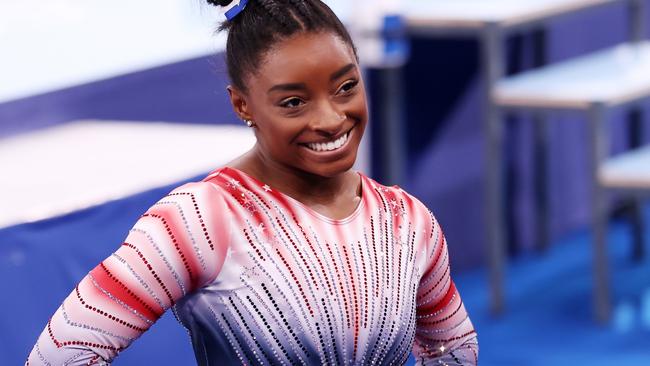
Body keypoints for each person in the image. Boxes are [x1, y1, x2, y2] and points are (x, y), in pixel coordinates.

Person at [27, 0, 478, 364]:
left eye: (345, 87)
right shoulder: (200, 220)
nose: (331, 118)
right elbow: (62, 353)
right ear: (243, 105)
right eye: (294, 102)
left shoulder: (406, 219)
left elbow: (453, 348)